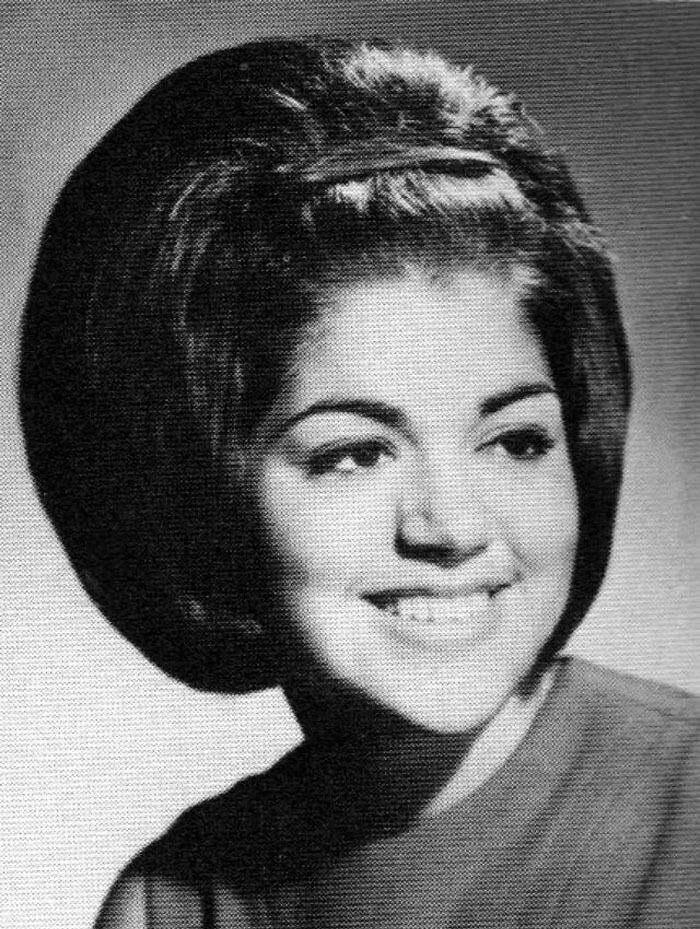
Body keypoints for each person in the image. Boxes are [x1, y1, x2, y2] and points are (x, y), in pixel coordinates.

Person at [20, 37, 699, 929]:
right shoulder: (179, 904)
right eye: (356, 454)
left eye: (515, 440)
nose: (454, 526)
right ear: (201, 487)